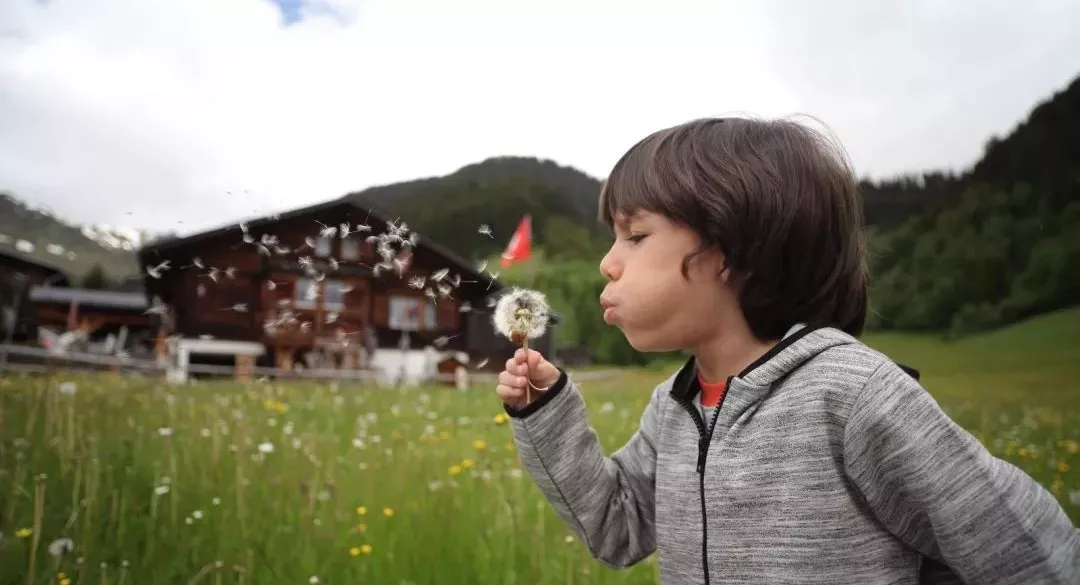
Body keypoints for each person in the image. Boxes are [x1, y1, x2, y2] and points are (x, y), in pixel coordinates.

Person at [495, 117, 1080, 585]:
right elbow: (614, 529)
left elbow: (1025, 550)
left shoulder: (852, 394)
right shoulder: (673, 408)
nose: (608, 261)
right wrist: (544, 415)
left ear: (730, 250)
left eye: (636, 235)